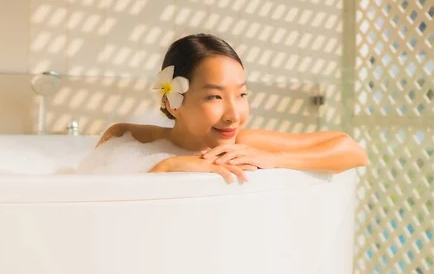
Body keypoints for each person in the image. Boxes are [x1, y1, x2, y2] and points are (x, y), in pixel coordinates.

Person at [94, 33, 367, 183]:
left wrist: (275, 160)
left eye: (241, 94)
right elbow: (112, 212)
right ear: (173, 102)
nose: (234, 115)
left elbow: (352, 150)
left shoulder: (240, 145)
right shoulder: (123, 138)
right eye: (214, 97)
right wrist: (168, 167)